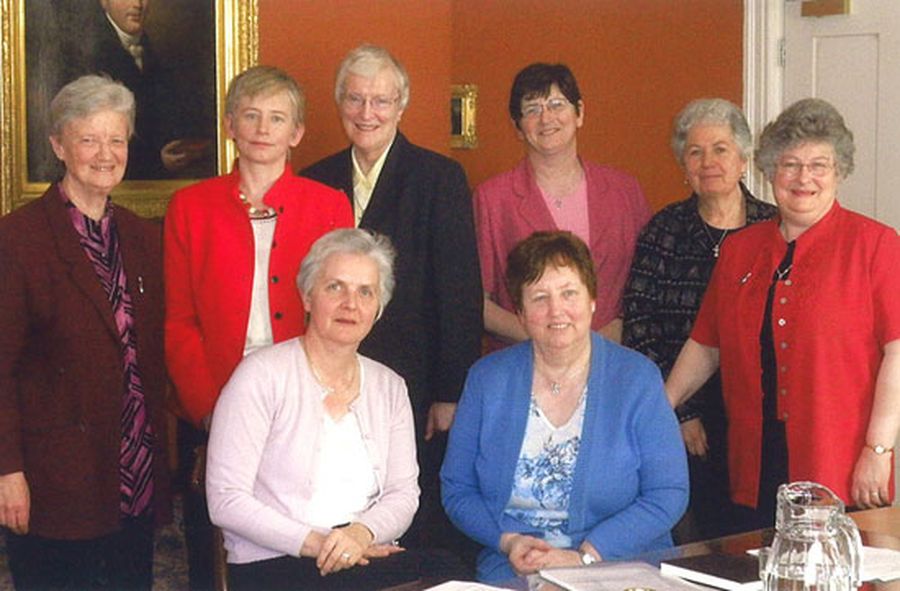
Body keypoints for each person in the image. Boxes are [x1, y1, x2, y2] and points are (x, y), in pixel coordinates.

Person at [666, 98, 900, 531]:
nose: (803, 178)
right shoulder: (739, 250)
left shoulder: (876, 246)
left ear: (839, 172)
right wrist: (659, 407)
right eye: (790, 164)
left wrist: (879, 450)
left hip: (841, 463)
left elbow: (898, 354)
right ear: (770, 171)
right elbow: (705, 344)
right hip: (753, 463)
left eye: (819, 165)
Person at [164, 65, 352, 590]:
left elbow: (342, 312)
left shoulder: (329, 205)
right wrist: (212, 409)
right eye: (251, 115)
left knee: (298, 535)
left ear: (296, 133)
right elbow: (178, 321)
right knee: (215, 550)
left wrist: (314, 398)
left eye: (277, 118)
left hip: (303, 399)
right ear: (230, 125)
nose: (263, 128)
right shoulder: (190, 207)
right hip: (213, 397)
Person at [207, 229, 464, 590]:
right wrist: (322, 543)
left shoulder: (389, 386)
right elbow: (226, 501)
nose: (350, 304)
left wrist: (360, 533)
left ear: (378, 308)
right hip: (277, 560)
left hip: (361, 553)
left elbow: (403, 494)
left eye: (365, 292)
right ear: (307, 297)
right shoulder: (259, 376)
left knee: (449, 570)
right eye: (335, 287)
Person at [301, 44, 483, 555]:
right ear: (340, 105)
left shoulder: (439, 178)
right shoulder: (315, 179)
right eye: (355, 99)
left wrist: (450, 391)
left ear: (401, 106)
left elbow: (458, 291)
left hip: (414, 382)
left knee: (407, 512)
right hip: (329, 379)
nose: (367, 113)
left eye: (381, 100)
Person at [0, 75, 171, 590]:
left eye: (116, 139)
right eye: (88, 139)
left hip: (133, 473)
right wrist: (7, 471)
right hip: (54, 483)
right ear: (58, 145)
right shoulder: (17, 238)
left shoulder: (142, 238)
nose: (105, 153)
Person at [442, 231, 688, 583]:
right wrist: (510, 541)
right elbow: (457, 488)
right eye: (539, 297)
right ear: (521, 313)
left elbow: (668, 493)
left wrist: (584, 556)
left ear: (592, 300)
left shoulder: (638, 379)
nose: (556, 310)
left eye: (569, 293)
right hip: (513, 568)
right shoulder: (486, 379)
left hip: (620, 567)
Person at [622, 99, 776, 542]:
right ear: (683, 164)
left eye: (721, 149)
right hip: (681, 406)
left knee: (759, 532)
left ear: (744, 159)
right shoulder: (663, 230)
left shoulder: (774, 225)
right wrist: (682, 413)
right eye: (695, 152)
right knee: (701, 537)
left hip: (761, 410)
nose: (708, 162)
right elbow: (639, 326)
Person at [474, 63, 651, 351]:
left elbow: (648, 286)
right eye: (532, 109)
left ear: (579, 113)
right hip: (526, 358)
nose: (546, 118)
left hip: (614, 357)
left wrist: (614, 332)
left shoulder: (625, 191)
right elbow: (475, 301)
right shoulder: (492, 198)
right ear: (518, 127)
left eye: (557, 104)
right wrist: (550, 336)